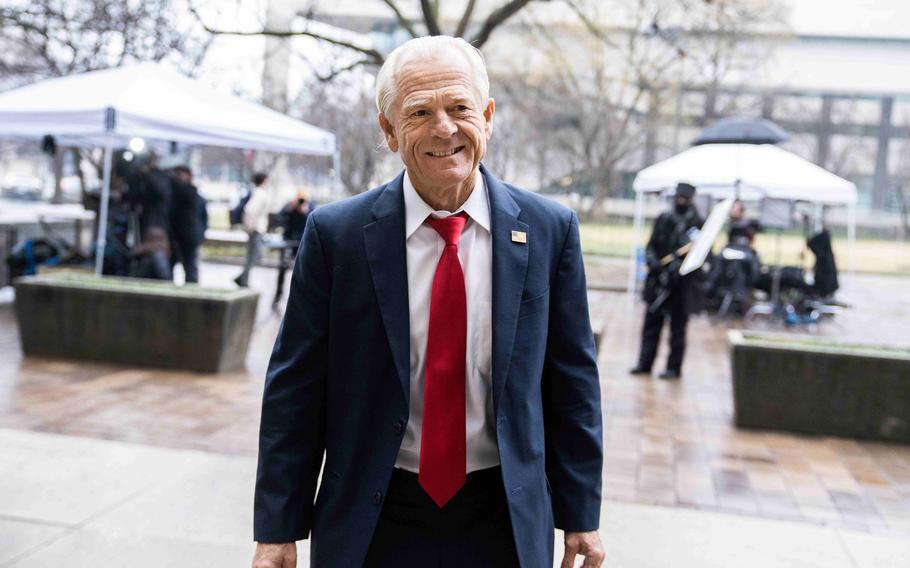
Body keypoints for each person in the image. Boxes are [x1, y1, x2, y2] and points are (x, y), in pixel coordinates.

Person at [252, 36, 604, 568]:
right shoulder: (336, 235)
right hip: (376, 517)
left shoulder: (551, 231)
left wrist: (581, 514)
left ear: (487, 117)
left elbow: (572, 381)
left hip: (504, 517)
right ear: (389, 131)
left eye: (459, 108)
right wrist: (278, 528)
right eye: (419, 112)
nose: (445, 128)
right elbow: (295, 389)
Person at [630, 182, 705, 379]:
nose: (681, 201)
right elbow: (651, 245)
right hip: (658, 282)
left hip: (681, 285)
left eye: (685, 198)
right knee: (651, 325)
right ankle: (644, 363)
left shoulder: (698, 223)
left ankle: (674, 367)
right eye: (678, 197)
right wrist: (655, 263)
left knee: (678, 329)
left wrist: (681, 268)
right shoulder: (664, 218)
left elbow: (702, 254)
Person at [273, 190, 312, 306]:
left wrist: (305, 212)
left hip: (301, 242)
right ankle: (278, 295)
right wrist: (290, 209)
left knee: (302, 271)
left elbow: (312, 223)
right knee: (282, 268)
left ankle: (299, 300)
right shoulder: (289, 206)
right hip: (288, 240)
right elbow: (279, 218)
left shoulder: (309, 207)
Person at [234, 172, 271, 287]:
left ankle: (243, 278)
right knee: (255, 255)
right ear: (264, 180)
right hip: (256, 229)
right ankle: (243, 279)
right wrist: (249, 226)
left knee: (253, 255)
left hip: (256, 228)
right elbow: (250, 210)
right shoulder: (260, 193)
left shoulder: (256, 192)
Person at [168, 166, 201, 283]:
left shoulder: (189, 191)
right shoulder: (179, 190)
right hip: (177, 234)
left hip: (187, 236)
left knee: (189, 265)